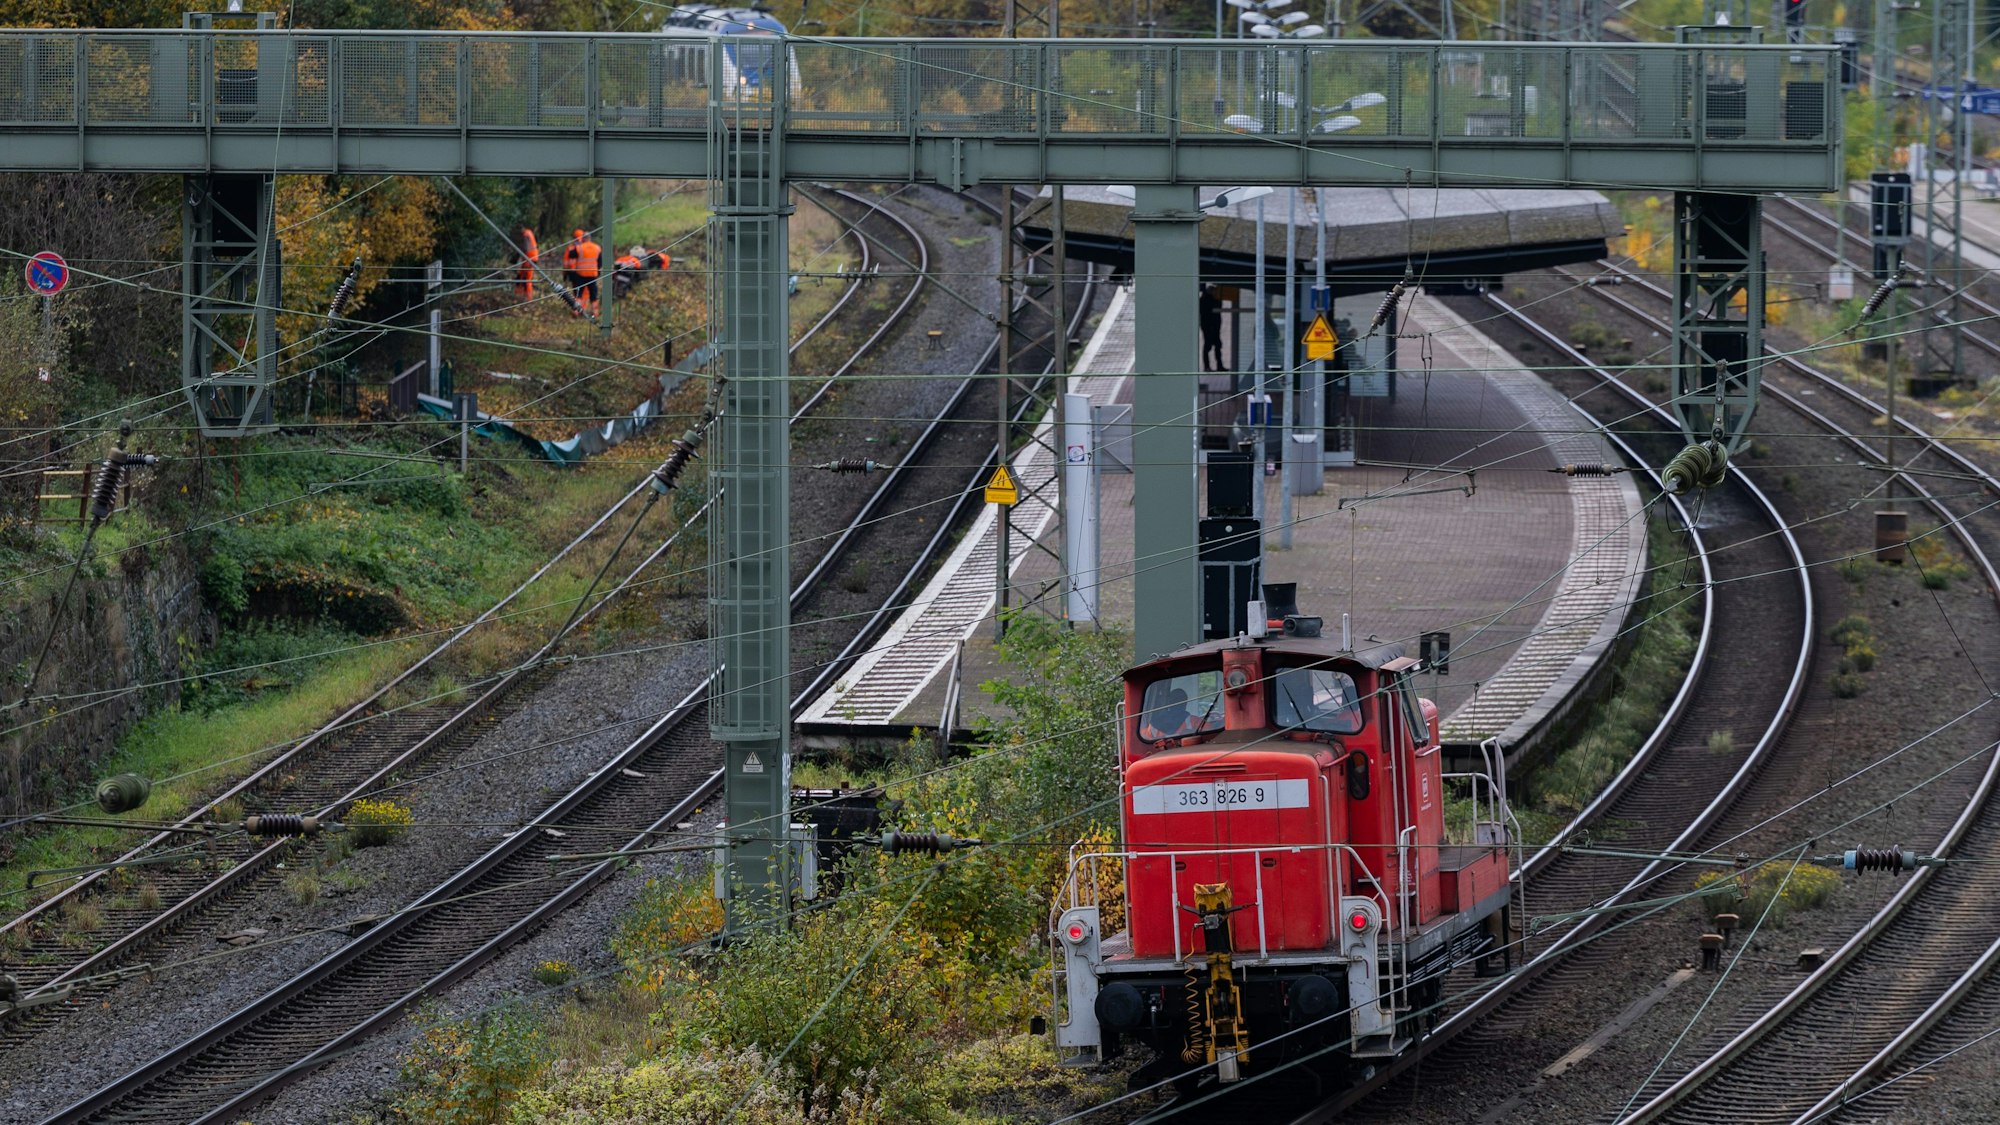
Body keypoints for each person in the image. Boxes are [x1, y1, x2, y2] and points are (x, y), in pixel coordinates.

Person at [563, 228, 602, 317]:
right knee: (593, 294)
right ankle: (595, 312)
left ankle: (576, 311)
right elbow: (600, 262)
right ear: (590, 238)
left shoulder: (580, 247)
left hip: (581, 274)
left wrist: (576, 245)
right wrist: (598, 272)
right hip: (592, 275)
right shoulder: (597, 247)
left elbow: (571, 254)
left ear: (583, 239)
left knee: (578, 293)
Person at [1199, 284, 1225, 372]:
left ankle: (1218, 366)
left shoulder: (1213, 300)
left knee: (1216, 345)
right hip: (1209, 326)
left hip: (1214, 326)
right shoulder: (1206, 300)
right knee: (1208, 345)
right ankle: (1207, 367)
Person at [514, 227, 539, 299]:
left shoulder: (526, 235)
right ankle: (520, 294)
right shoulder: (529, 233)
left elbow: (525, 248)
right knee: (521, 275)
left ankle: (528, 298)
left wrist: (517, 256)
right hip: (531, 257)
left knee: (527, 278)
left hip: (530, 258)